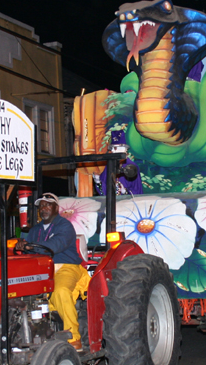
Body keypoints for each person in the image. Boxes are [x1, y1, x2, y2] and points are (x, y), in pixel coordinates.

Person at [15, 192, 90, 352]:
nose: (44, 208)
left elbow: (55, 245)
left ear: (56, 208)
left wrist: (30, 246)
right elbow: (28, 249)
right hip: (41, 269)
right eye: (41, 206)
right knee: (20, 293)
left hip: (66, 267)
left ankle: (74, 338)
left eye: (48, 205)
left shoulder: (65, 226)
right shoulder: (34, 230)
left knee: (60, 291)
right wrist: (21, 245)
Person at [93, 130, 143, 196]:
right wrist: (98, 181)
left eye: (116, 148)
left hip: (127, 202)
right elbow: (103, 193)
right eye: (112, 148)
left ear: (125, 149)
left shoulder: (132, 167)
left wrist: (124, 191)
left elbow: (137, 192)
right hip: (111, 201)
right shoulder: (109, 165)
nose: (113, 151)